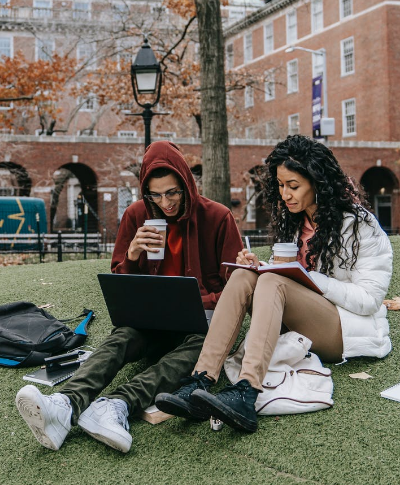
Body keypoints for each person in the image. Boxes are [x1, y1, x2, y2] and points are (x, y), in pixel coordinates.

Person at [14, 141, 243, 453]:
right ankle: (64, 404)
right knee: (121, 337)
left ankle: (117, 405)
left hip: (200, 324)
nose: (166, 202)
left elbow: (236, 288)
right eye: (156, 194)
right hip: (151, 322)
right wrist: (133, 255)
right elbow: (120, 286)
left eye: (173, 192)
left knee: (198, 349)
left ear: (187, 184)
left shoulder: (218, 217)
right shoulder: (136, 215)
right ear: (145, 191)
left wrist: (201, 301)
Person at [155, 134, 393, 433]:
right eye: (280, 186)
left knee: (272, 283)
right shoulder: (295, 222)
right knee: (244, 275)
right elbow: (290, 278)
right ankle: (200, 379)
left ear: (318, 183)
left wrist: (303, 278)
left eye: (293, 186)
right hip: (299, 319)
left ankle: (246, 390)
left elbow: (369, 299)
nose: (285, 194)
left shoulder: (359, 225)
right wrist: (261, 266)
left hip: (343, 328)